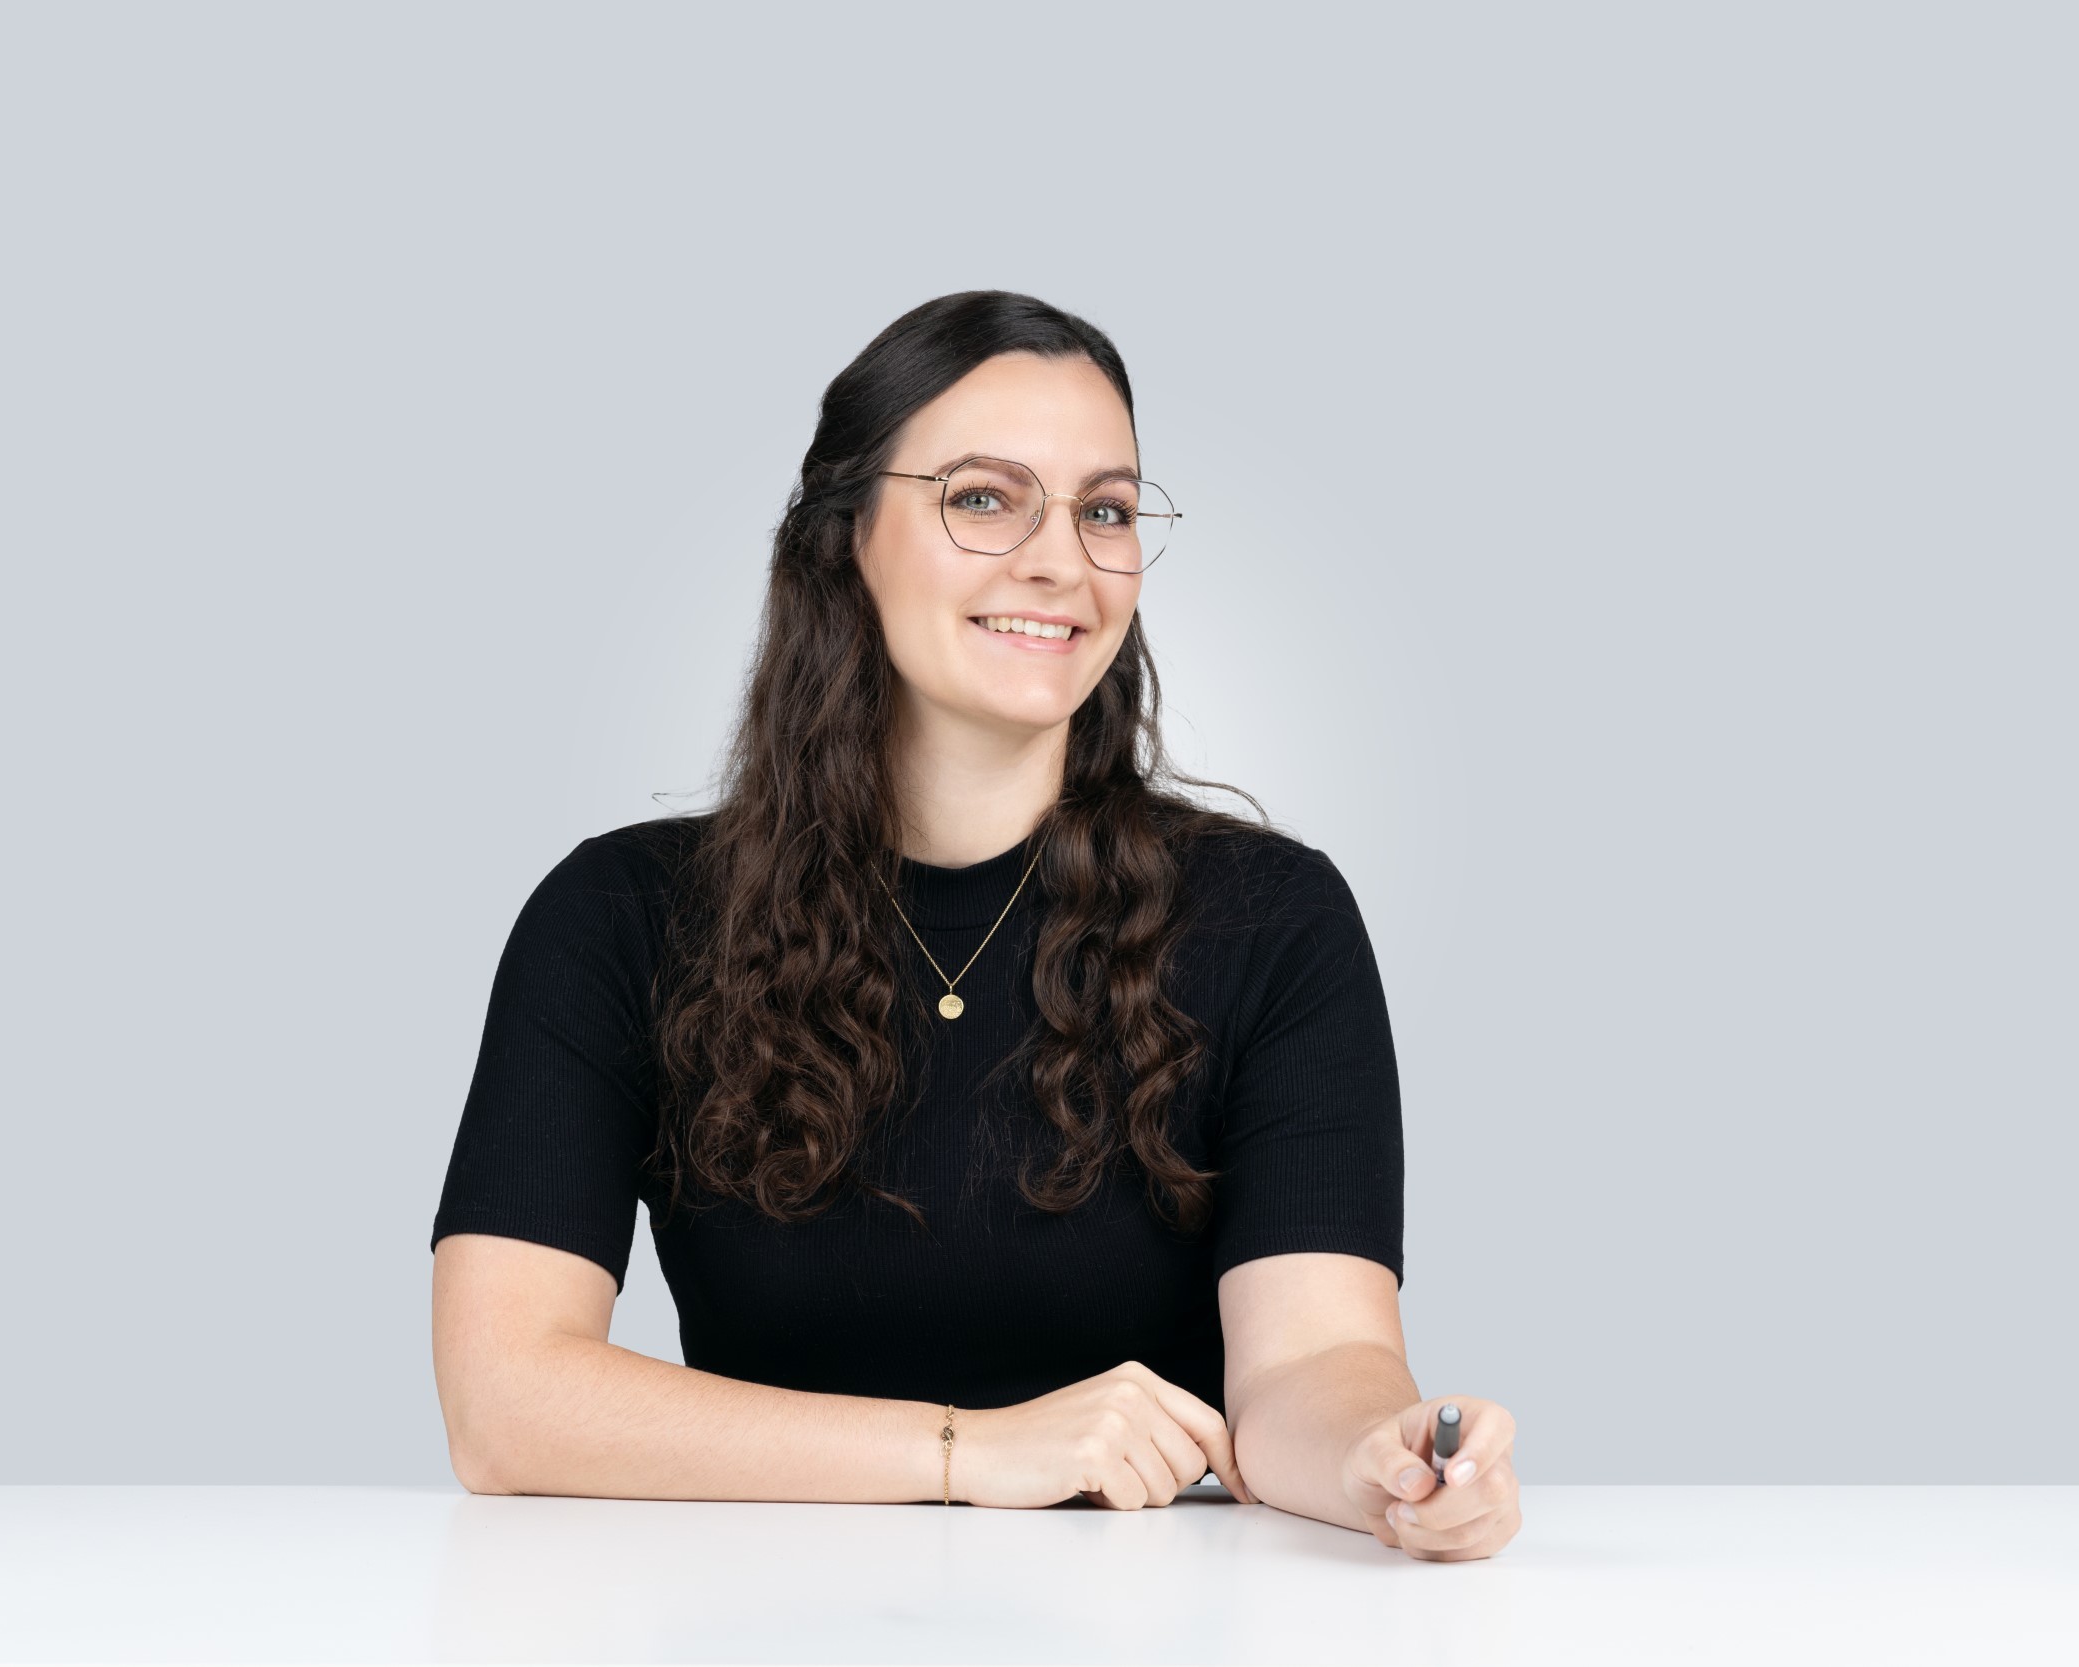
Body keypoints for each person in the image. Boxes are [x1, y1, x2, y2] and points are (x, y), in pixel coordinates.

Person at [428, 289, 1520, 1559]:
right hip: (748, 1608)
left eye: (1104, 510)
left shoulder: (1274, 920)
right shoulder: (618, 916)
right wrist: (969, 1450)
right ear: (843, 536)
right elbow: (504, 1399)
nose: (1060, 560)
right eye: (985, 498)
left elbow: (1309, 1360)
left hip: (1153, 1623)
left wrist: (1380, 1459)